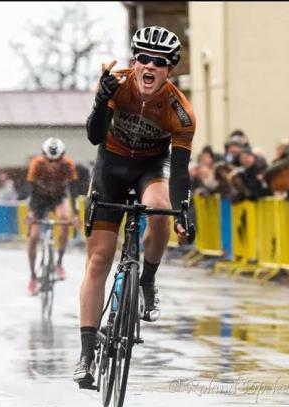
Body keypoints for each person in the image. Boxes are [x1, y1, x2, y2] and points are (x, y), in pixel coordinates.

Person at [74, 25, 196, 388]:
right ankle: (85, 351)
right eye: (142, 58)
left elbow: (180, 171)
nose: (149, 65)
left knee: (159, 211)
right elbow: (95, 135)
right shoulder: (117, 83)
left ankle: (147, 280)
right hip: (110, 165)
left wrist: (185, 210)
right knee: (99, 260)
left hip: (149, 169)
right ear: (134, 61)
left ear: (169, 70)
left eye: (158, 62)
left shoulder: (180, 111)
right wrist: (101, 99)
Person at [26, 137, 78, 296]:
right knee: (34, 236)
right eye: (50, 160)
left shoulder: (68, 164)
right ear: (44, 156)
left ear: (63, 156)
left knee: (64, 221)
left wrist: (75, 214)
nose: (54, 164)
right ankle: (33, 277)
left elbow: (73, 190)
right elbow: (31, 190)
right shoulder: (36, 164)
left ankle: (59, 263)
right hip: (39, 199)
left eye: (57, 160)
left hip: (58, 197)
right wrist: (31, 213)